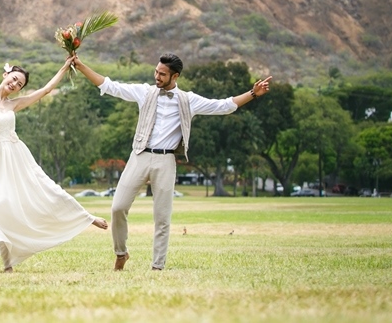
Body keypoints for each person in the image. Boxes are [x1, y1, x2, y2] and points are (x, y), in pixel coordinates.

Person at [73, 53, 271, 271]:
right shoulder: (145, 92)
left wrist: (253, 93)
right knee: (118, 207)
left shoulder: (188, 100)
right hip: (139, 155)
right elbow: (110, 86)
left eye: (162, 74)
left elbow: (224, 105)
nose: (157, 76)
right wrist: (81, 66)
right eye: (156, 71)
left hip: (166, 160)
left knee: (162, 218)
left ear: (175, 76)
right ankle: (121, 253)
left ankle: (158, 266)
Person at [0, 57, 108, 272]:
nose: (15, 85)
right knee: (1, 208)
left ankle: (86, 218)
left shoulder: (14, 104)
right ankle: (7, 265)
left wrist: (64, 67)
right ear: (5, 75)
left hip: (17, 156)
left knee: (46, 187)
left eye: (20, 85)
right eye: (14, 79)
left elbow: (45, 90)